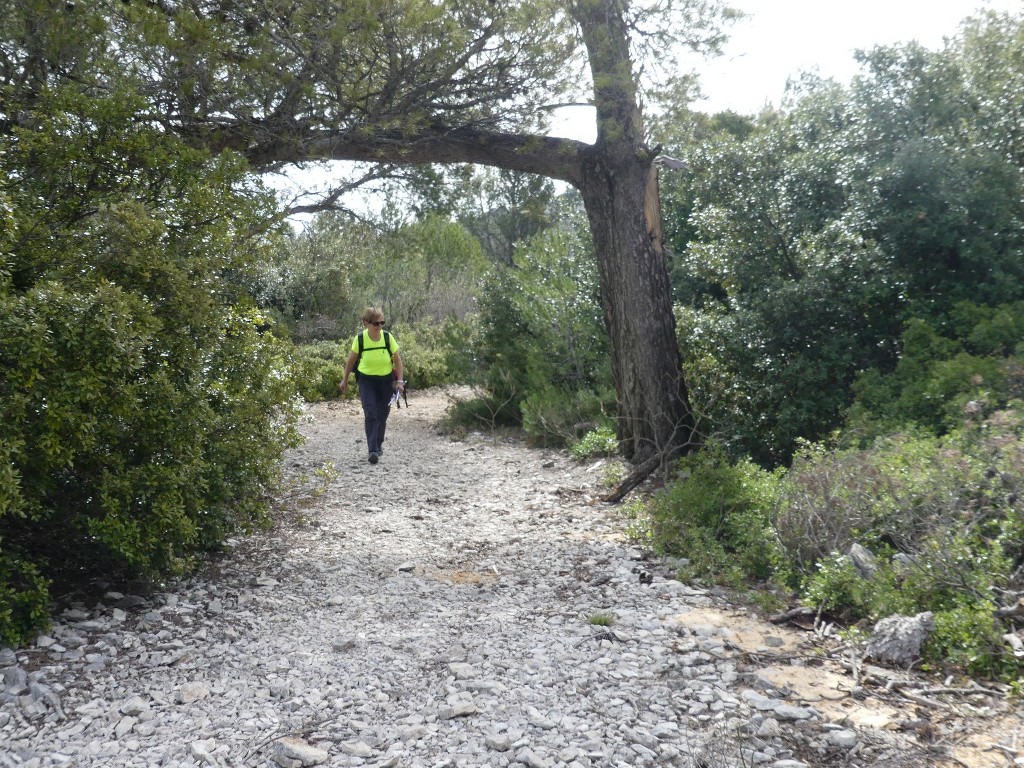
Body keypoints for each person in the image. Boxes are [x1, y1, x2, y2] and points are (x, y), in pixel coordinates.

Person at [339, 308, 405, 464]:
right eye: (376, 323)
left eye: (382, 322)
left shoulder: (388, 338)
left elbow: (397, 360)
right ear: (366, 323)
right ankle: (372, 450)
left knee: (382, 416)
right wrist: (345, 379)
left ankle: (378, 443)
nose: (379, 326)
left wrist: (400, 382)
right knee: (370, 413)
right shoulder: (360, 339)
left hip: (386, 382)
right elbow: (351, 361)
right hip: (366, 381)